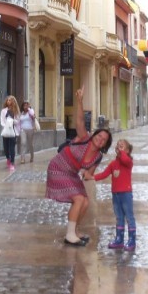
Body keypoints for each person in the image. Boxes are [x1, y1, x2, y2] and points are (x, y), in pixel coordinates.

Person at [45, 86, 112, 246]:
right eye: (99, 136)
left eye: (104, 140)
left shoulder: (97, 156)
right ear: (95, 135)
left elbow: (88, 175)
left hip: (71, 174)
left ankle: (75, 231)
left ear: (105, 145)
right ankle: (69, 235)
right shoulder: (84, 137)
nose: (100, 140)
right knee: (78, 198)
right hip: (58, 168)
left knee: (85, 201)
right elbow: (80, 120)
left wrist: (107, 174)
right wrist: (80, 100)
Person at [94, 139, 135, 251]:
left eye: (122, 146)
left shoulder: (128, 162)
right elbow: (103, 174)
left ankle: (132, 240)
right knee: (119, 217)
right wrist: (92, 177)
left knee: (129, 217)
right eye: (118, 146)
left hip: (126, 194)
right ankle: (119, 239)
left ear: (127, 150)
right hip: (116, 195)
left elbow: (125, 160)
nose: (119, 147)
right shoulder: (113, 164)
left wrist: (122, 153)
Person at [0, 96, 20, 171]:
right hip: (5, 130)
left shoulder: (16, 111)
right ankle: (8, 158)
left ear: (13, 102)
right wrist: (6, 125)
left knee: (12, 147)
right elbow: (2, 120)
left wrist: (12, 120)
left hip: (13, 131)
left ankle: (12, 162)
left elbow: (17, 121)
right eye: (8, 100)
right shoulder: (3, 111)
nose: (9, 101)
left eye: (11, 100)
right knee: (6, 148)